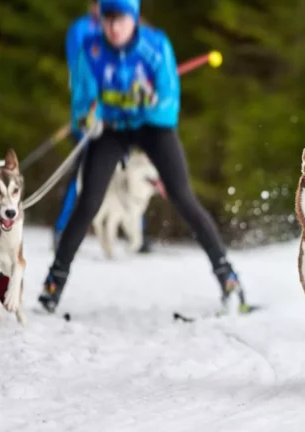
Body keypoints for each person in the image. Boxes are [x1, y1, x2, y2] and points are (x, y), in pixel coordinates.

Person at [38, 0, 255, 315]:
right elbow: (82, 101)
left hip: (152, 127)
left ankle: (228, 277)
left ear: (134, 20)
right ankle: (54, 283)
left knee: (182, 196)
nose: (113, 28)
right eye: (108, 20)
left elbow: (170, 101)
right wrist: (88, 119)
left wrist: (149, 102)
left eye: (120, 20)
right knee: (89, 202)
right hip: (110, 130)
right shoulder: (92, 50)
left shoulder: (155, 45)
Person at [55, 0, 154, 254]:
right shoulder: (82, 30)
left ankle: (136, 229)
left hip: (126, 116)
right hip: (93, 115)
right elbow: (81, 72)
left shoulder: (131, 29)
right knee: (85, 171)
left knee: (128, 167)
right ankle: (63, 229)